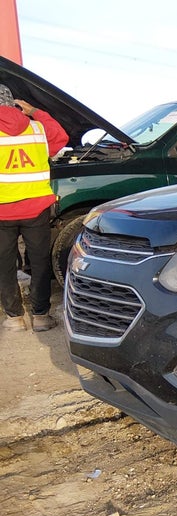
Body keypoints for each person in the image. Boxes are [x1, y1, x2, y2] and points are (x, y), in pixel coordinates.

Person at [0, 83, 69, 332]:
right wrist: (35, 112)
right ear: (14, 104)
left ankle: (14, 318)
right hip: (37, 208)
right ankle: (41, 316)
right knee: (39, 261)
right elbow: (60, 138)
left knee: (4, 263)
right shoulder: (37, 129)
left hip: (2, 211)